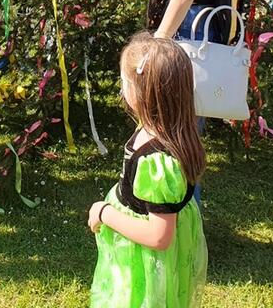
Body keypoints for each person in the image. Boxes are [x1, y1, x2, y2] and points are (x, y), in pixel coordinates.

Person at [87, 32, 207, 307]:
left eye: (124, 82)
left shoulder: (158, 161)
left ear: (142, 93)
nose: (121, 88)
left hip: (144, 262)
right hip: (144, 255)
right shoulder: (163, 130)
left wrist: (104, 213)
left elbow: (159, 236)